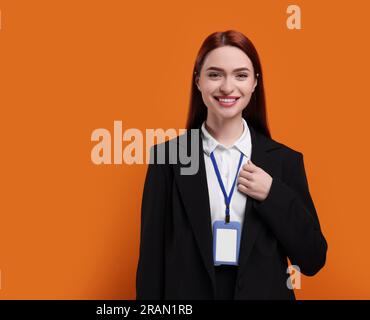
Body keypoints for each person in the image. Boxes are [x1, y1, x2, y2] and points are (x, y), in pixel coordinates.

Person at [135, 30, 327, 300]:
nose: (227, 87)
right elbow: (151, 266)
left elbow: (313, 258)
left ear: (254, 83)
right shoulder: (168, 159)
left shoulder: (284, 161)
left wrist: (273, 195)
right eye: (215, 74)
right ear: (198, 81)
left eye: (241, 75)